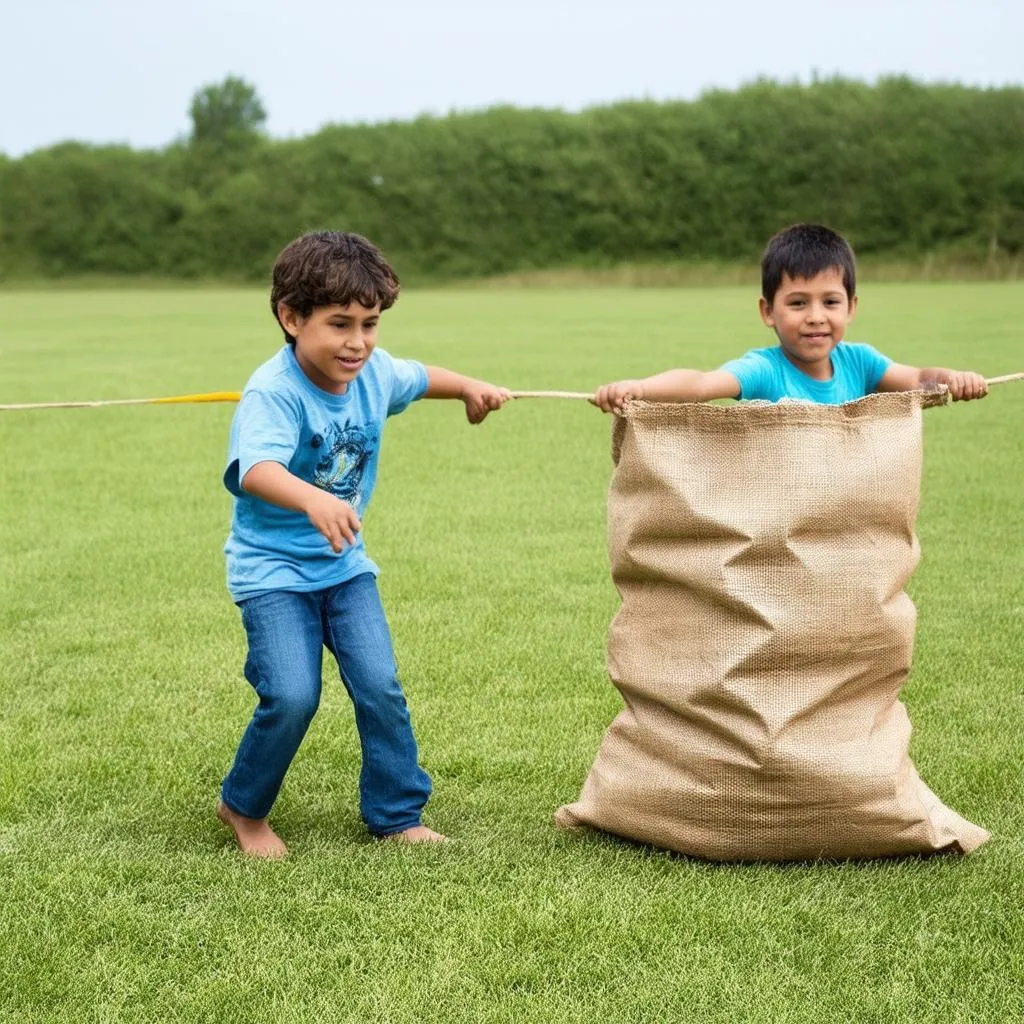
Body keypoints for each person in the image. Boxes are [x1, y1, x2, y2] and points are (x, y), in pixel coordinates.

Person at [217, 230, 510, 858]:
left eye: (370, 324)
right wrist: (315, 498)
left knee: (380, 687)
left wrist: (467, 389)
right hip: (273, 575)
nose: (357, 343)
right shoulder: (274, 391)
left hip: (345, 569)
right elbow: (253, 469)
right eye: (340, 324)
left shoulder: (374, 373)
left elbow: (420, 375)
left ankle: (397, 814)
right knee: (293, 694)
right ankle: (242, 809)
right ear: (290, 318)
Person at [592, 223, 989, 412]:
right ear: (768, 311)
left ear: (851, 307)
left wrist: (954, 379)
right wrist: (639, 388)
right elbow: (699, 385)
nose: (816, 317)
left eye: (830, 303)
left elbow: (920, 381)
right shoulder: (763, 369)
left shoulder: (861, 362)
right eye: (798, 304)